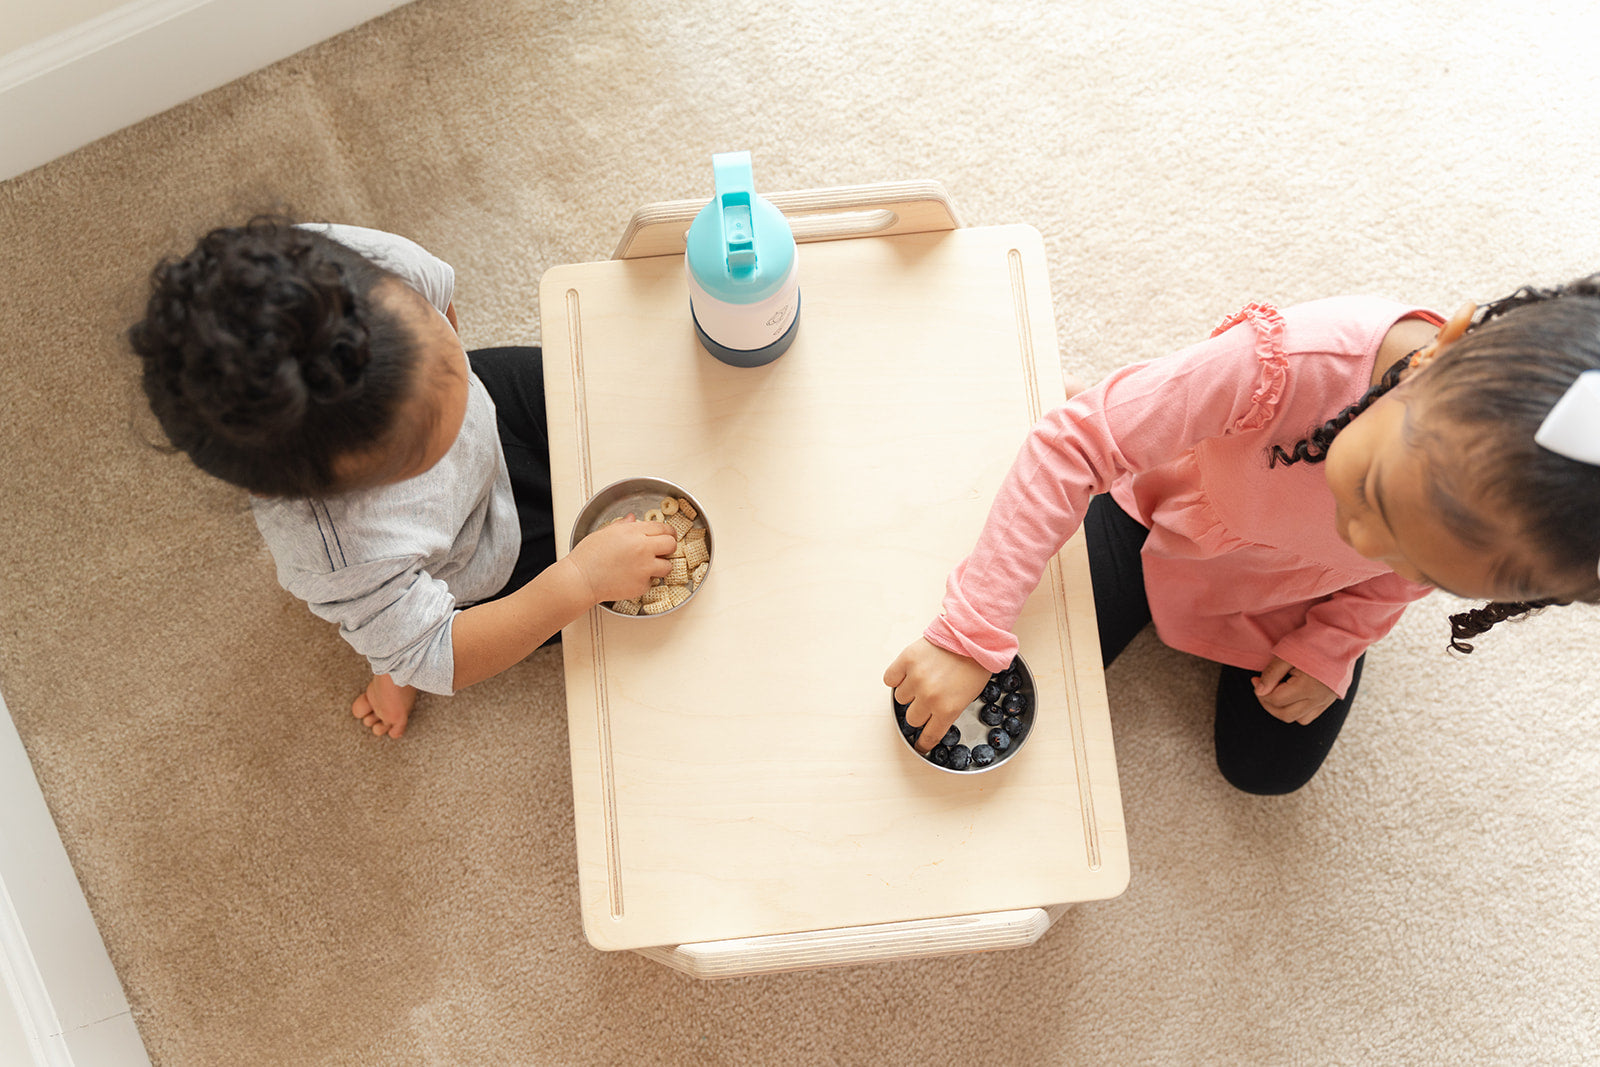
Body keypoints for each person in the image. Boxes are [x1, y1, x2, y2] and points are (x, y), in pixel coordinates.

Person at [885, 278, 1600, 794]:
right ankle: (1135, 398)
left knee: (1267, 770)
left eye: (1427, 565)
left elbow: (1389, 583)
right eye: (1374, 496)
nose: (1359, 533)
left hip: (1292, 590)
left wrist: (1332, 644)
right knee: (1031, 671)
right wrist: (967, 632)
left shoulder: (1462, 524)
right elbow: (1070, 445)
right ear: (1431, 357)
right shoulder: (1282, 364)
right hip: (1160, 515)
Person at [130, 218, 677, 739]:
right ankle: (390, 658)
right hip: (483, 551)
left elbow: (435, 290)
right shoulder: (344, 554)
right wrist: (580, 580)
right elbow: (446, 655)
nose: (453, 408)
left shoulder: (350, 268)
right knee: (576, 614)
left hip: (504, 399)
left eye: (438, 359)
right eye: (421, 441)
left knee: (626, 405)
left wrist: (445, 370)